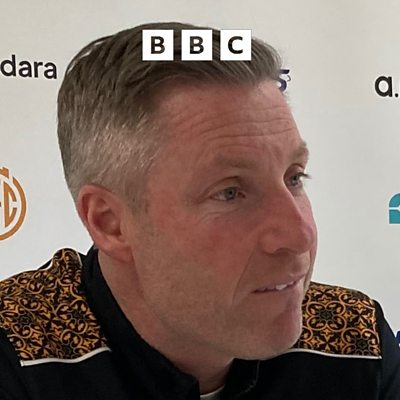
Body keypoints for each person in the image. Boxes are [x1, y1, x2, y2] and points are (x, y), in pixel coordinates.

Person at [0, 21, 399, 400]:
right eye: (230, 193)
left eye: (294, 177)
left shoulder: (355, 343)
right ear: (110, 223)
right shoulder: (18, 354)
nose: (300, 235)